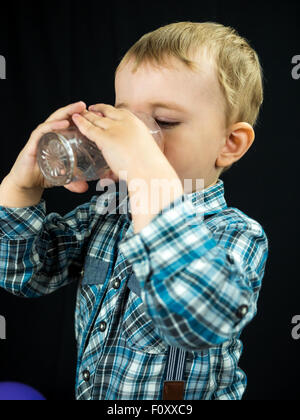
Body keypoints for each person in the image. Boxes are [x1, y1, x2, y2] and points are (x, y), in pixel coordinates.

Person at [0, 21, 268, 400]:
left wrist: (145, 172)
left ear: (229, 143)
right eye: (126, 121)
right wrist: (19, 187)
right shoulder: (107, 215)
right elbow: (24, 275)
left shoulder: (236, 234)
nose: (136, 138)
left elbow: (198, 321)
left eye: (163, 122)